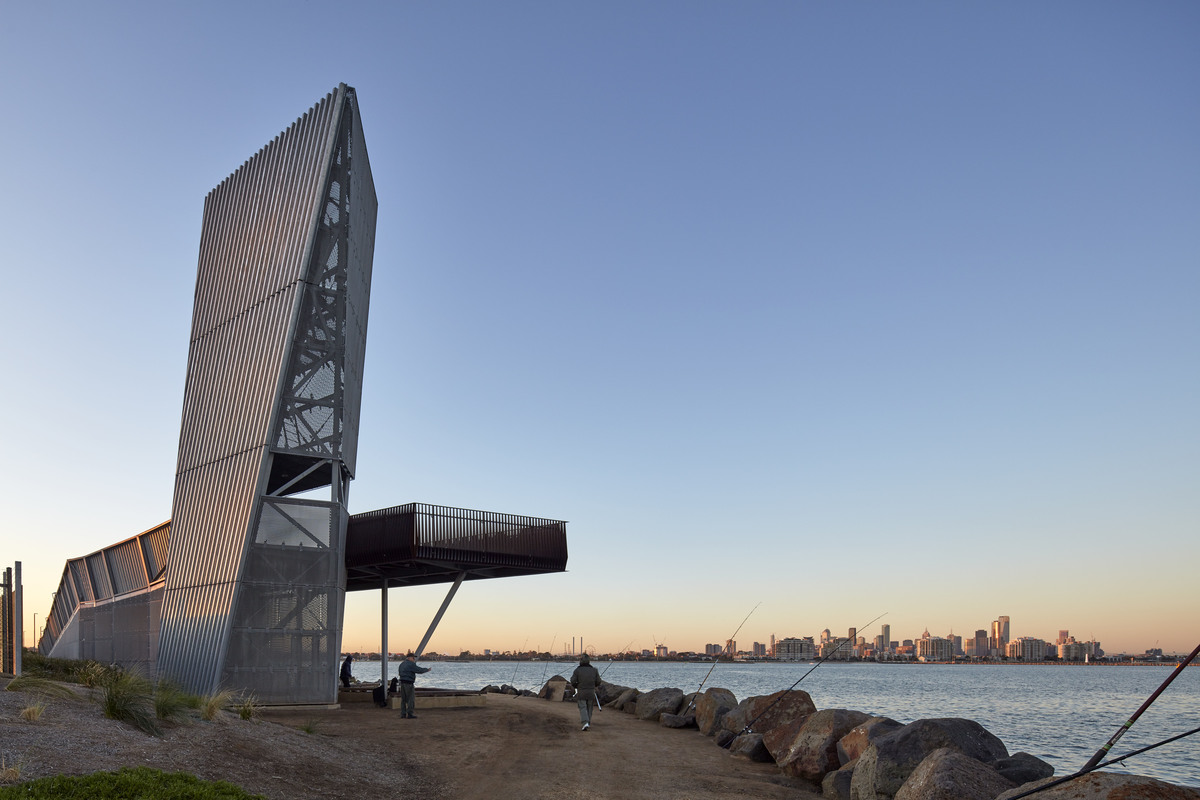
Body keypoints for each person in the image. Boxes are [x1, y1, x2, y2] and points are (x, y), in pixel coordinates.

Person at [570, 653, 602, 731]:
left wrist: (576, 686)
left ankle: (585, 723)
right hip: (591, 692)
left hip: (581, 692)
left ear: (581, 661)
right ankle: (588, 722)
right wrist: (594, 684)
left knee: (582, 707)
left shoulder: (577, 670)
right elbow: (598, 681)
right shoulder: (594, 670)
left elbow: (573, 681)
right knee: (589, 707)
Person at [396, 653, 431, 718]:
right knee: (410, 699)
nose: (414, 659)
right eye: (413, 658)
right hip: (409, 683)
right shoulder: (411, 664)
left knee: (403, 699)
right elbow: (418, 670)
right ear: (409, 658)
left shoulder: (402, 664)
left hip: (402, 683)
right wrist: (427, 670)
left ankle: (403, 714)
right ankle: (410, 713)